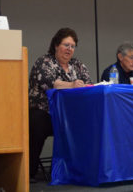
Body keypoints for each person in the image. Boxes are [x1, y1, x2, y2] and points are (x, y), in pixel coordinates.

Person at [28, 28, 92, 182]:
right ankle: (28, 171)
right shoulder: (44, 62)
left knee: (92, 121)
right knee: (37, 122)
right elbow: (50, 83)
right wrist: (72, 84)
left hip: (70, 114)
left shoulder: (77, 65)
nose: (69, 49)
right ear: (56, 45)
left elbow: (87, 83)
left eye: (72, 46)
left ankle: (82, 168)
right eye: (66, 45)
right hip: (46, 113)